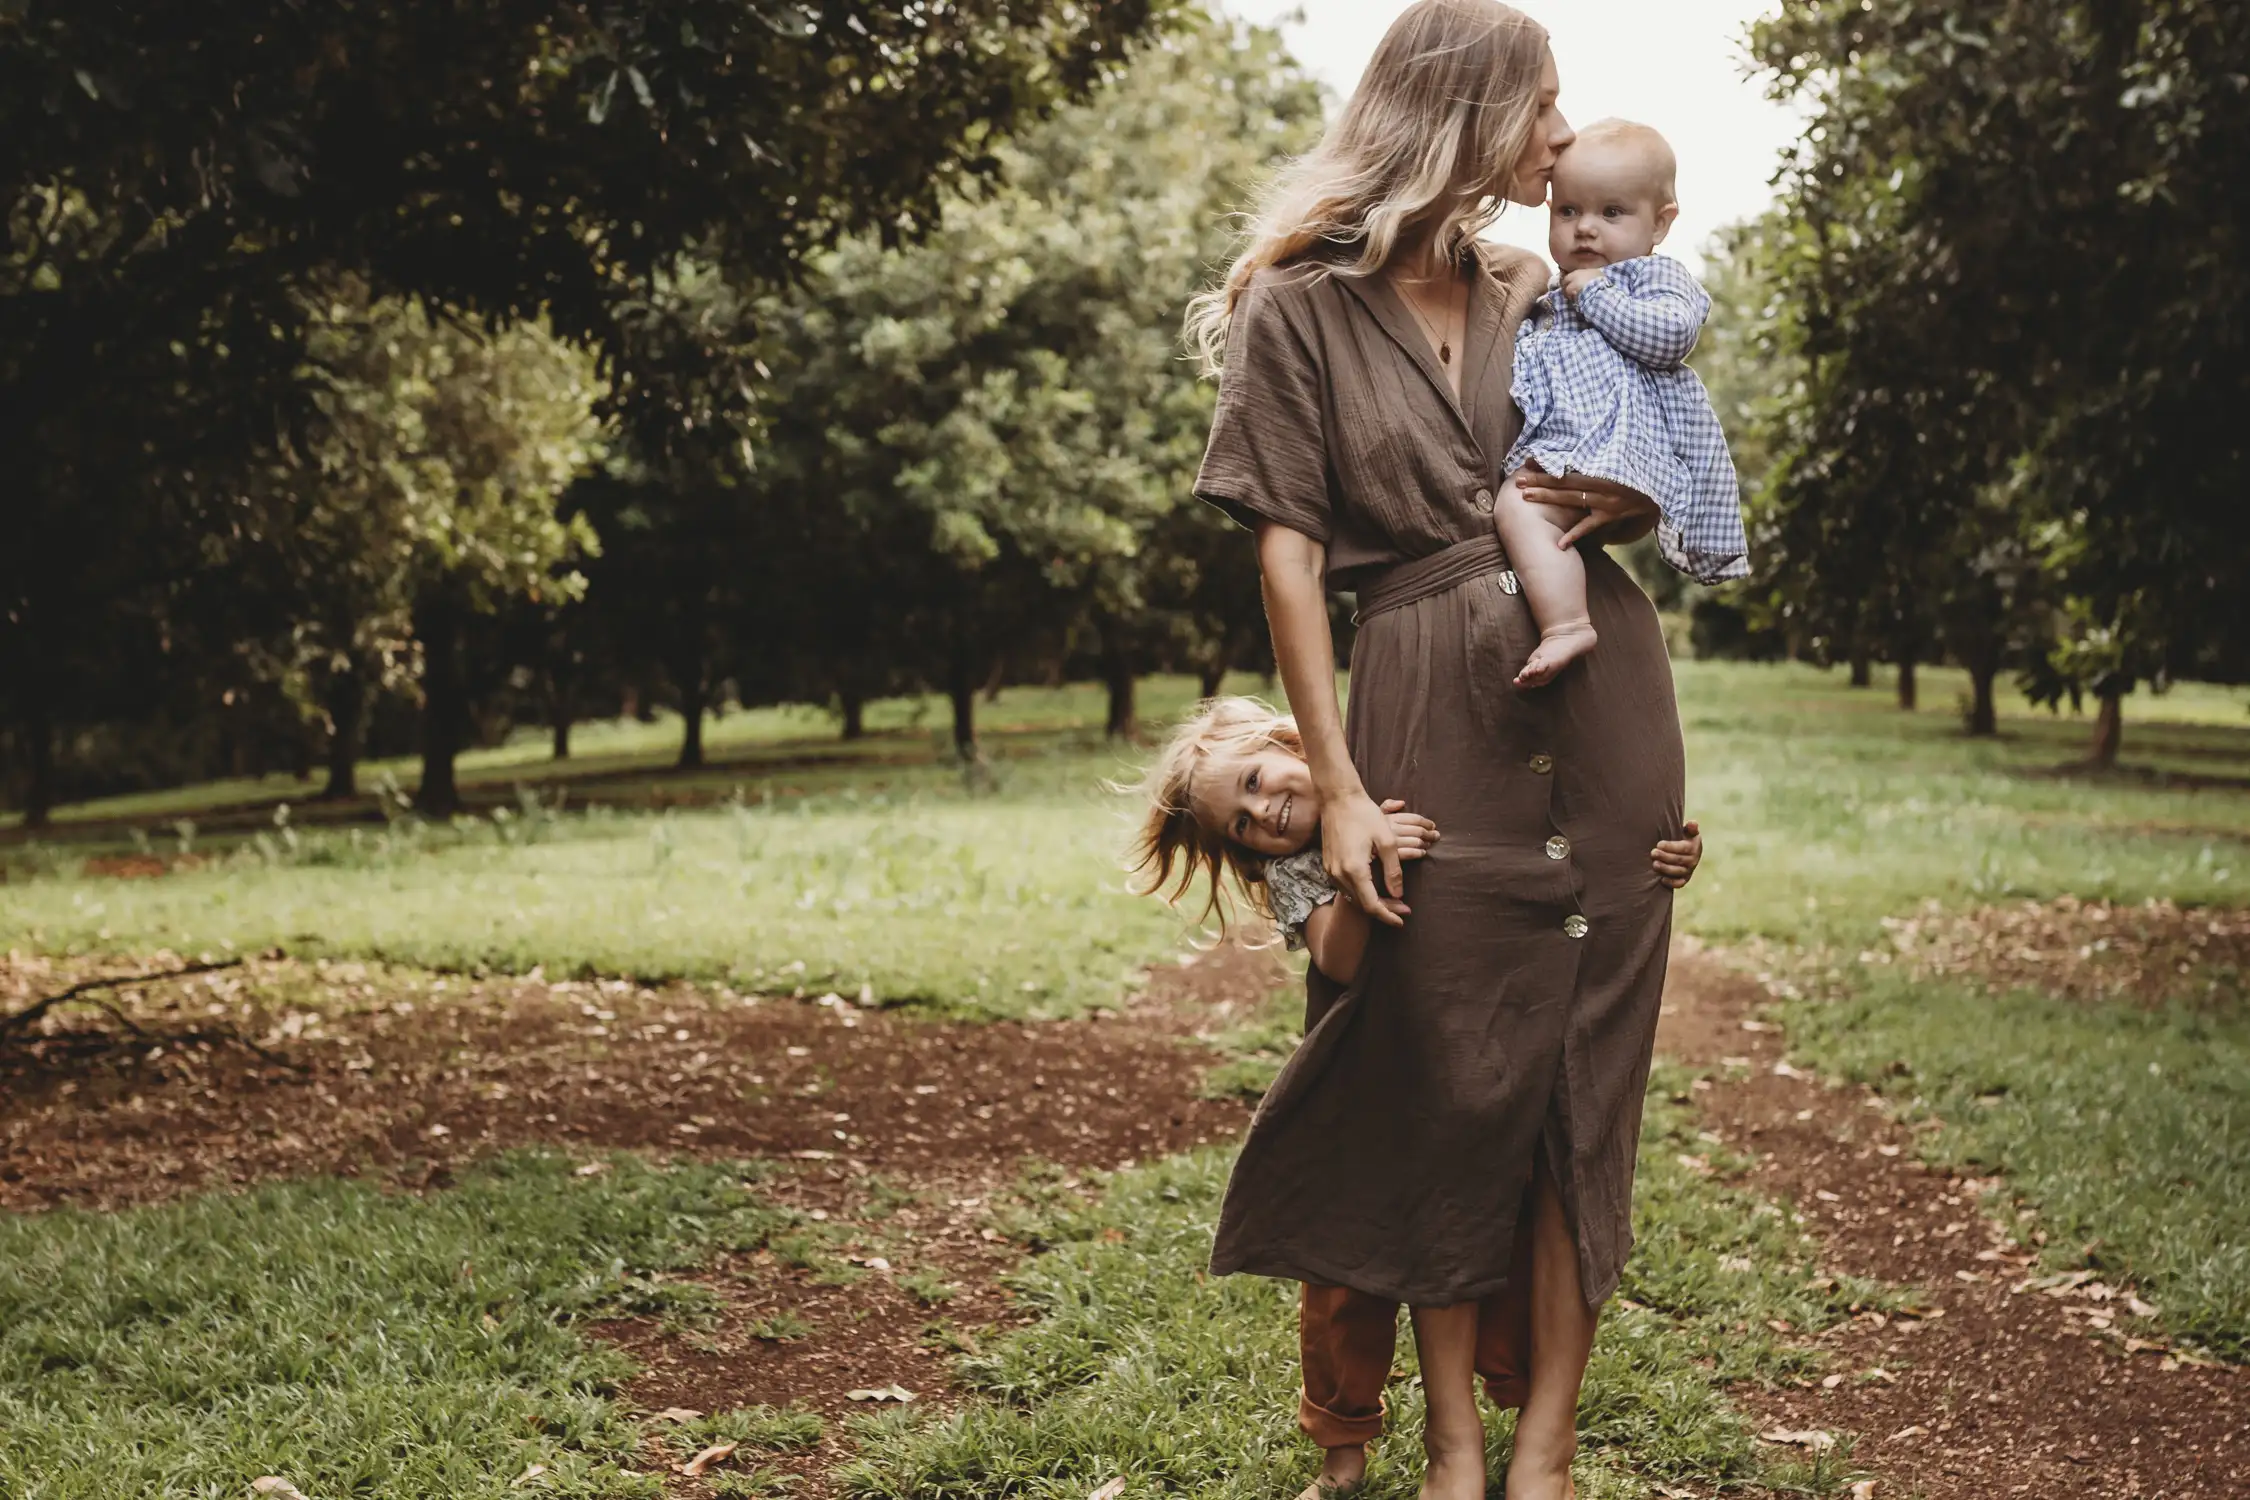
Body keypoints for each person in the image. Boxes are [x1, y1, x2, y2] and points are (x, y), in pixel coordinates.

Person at [1180, 3, 1702, 1497]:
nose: (1557, 140)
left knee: (1578, 1079)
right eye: (1542, 108)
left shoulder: (1540, 281)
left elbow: (1635, 437)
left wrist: (1631, 503)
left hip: (1598, 696)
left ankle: (1540, 1445)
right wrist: (1337, 788)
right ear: (1466, 112)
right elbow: (1288, 562)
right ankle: (1446, 1441)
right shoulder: (1298, 309)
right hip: (1417, 695)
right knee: (1441, 1069)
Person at [1128, 695, 1703, 987]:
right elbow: (1337, 962)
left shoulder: (1376, 761)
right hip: (1426, 1011)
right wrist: (1358, 868)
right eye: (1241, 825)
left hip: (1516, 953)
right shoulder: (1292, 873)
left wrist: (1660, 850)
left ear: (1285, 743)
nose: (1262, 811)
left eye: (1253, 781)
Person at [1493, 118, 1750, 687]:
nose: (1586, 229)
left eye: (1612, 213)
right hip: (1577, 449)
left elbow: (1670, 339)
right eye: (1568, 211)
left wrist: (1599, 297)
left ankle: (1566, 625)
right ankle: (1565, 617)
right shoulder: (1545, 290)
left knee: (1517, 506)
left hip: (1620, 444)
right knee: (1524, 510)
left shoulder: (1653, 277)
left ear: (1660, 223)